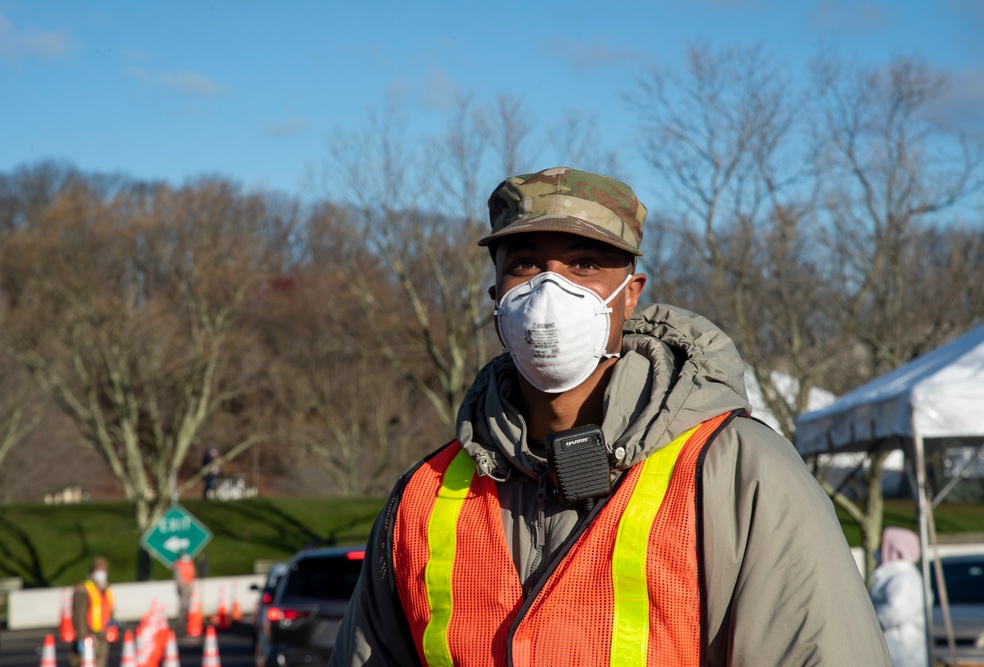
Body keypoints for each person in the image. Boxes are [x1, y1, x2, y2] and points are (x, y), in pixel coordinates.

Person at [331, 166, 891, 665]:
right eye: (526, 264)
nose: (552, 289)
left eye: (585, 264)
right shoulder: (422, 499)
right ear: (496, 296)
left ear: (630, 296)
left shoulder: (738, 473)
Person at [870, 527, 928, 667]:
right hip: (895, 650)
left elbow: (896, 612)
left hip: (903, 653)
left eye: (882, 545)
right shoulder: (893, 575)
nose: (879, 549)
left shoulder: (904, 577)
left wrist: (867, 615)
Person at [70, 556, 115, 667]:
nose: (101, 573)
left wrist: (113, 628)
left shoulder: (106, 589)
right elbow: (79, 616)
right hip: (89, 636)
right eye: (98, 569)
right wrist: (82, 637)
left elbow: (109, 612)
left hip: (103, 636)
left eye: (104, 570)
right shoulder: (84, 589)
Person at [172, 550, 197, 635]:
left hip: (189, 586)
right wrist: (181, 586)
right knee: (183, 604)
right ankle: (182, 620)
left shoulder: (189, 564)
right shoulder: (179, 565)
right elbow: (178, 577)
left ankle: (187, 618)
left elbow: (192, 574)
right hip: (183, 587)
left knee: (189, 604)